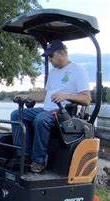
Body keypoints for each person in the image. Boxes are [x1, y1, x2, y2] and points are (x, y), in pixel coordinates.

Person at [11, 40, 91, 173]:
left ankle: (39, 161)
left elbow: (86, 99)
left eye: (51, 56)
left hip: (64, 112)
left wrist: (66, 96)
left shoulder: (78, 70)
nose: (49, 60)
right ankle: (24, 155)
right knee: (16, 114)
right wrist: (26, 96)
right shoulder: (54, 72)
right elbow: (44, 95)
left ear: (61, 54)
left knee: (41, 119)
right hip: (46, 109)